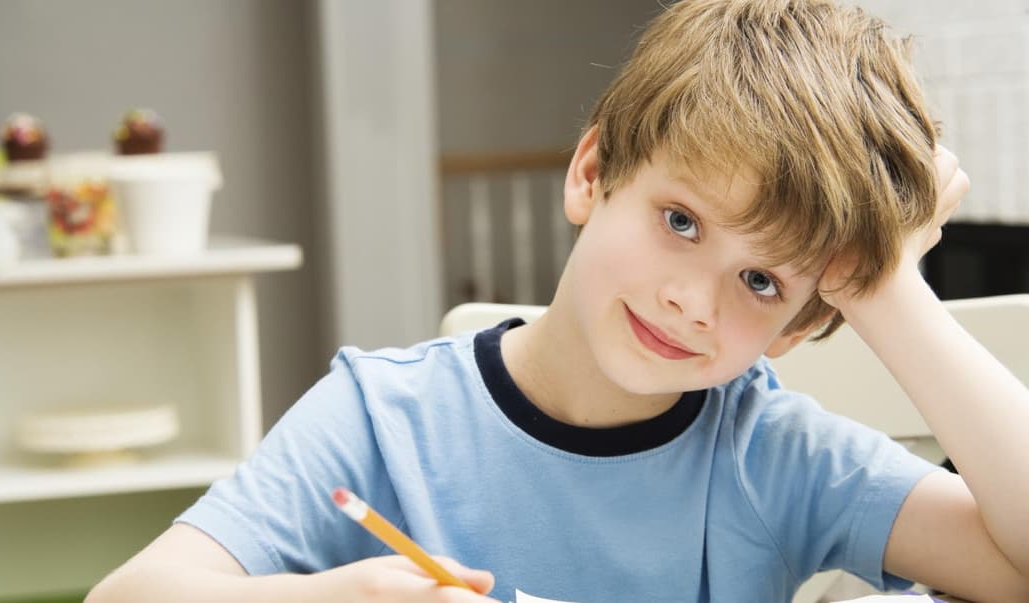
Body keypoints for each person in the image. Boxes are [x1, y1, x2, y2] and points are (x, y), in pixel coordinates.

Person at [87, 1, 1029, 601]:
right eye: (681, 220)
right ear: (593, 172)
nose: (691, 300)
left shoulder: (772, 457)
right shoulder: (379, 417)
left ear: (796, 326)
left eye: (760, 282)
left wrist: (887, 291)